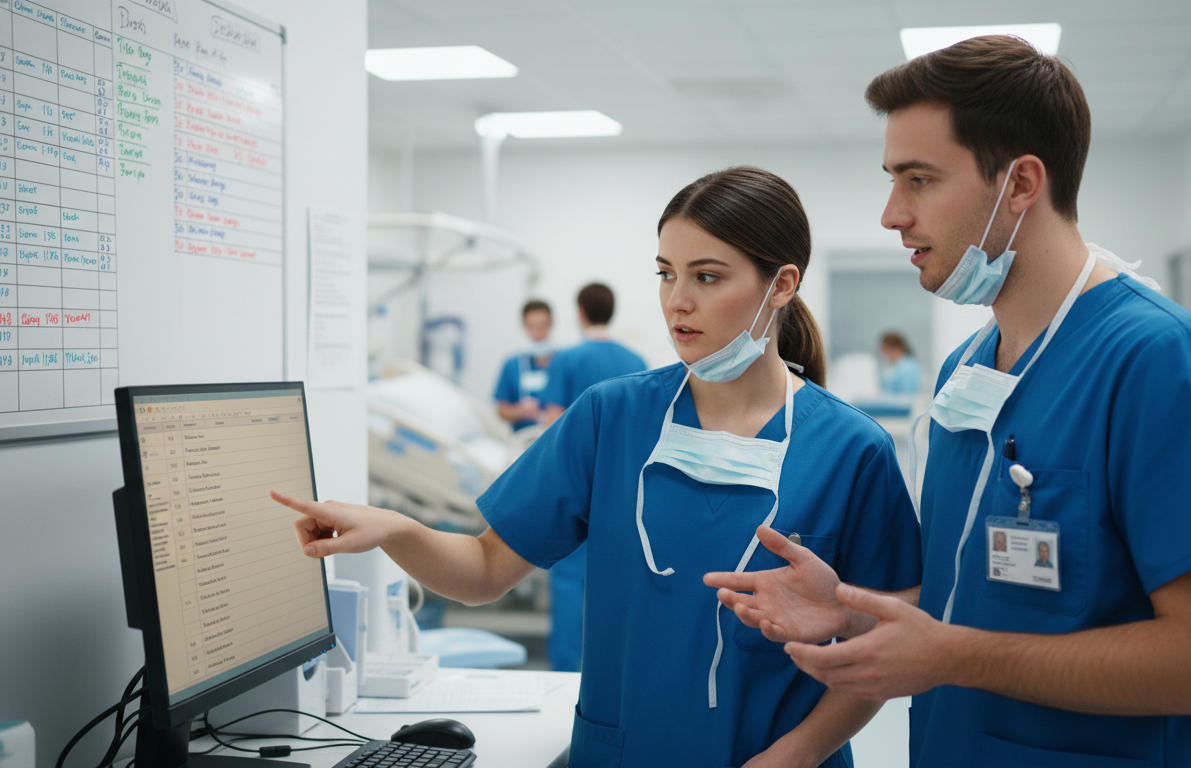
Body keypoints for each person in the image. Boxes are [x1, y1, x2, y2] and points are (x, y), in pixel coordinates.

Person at [706, 36, 1191, 767]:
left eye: (919, 179)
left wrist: (953, 659)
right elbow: (981, 601)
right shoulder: (967, 372)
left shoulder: (1158, 362)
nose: (891, 214)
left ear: (1021, 183)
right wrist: (853, 608)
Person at [271, 166, 921, 768]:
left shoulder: (849, 448)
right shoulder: (611, 417)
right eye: (666, 274)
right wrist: (396, 530)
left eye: (708, 276)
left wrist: (799, 754)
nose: (678, 301)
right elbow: (486, 572)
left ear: (781, 284)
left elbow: (892, 638)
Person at [536, 283, 646, 672]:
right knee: (619, 579)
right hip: (628, 485)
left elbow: (553, 424)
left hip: (579, 481)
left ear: (580, 312)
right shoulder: (636, 358)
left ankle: (568, 669)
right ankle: (613, 670)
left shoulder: (567, 359)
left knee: (569, 582)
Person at [539, 283, 646, 424]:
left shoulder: (564, 358)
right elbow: (642, 415)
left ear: (581, 312)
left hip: (580, 445)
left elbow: (554, 419)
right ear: (612, 311)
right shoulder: (637, 361)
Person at [493, 299, 554, 431]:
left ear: (551, 324)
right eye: (533, 326)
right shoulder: (512, 364)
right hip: (523, 439)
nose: (538, 332)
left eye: (543, 325)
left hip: (555, 436)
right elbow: (501, 409)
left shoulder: (564, 362)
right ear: (524, 325)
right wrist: (519, 411)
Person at [877, 331, 921, 396]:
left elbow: (908, 394)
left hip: (904, 404)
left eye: (885, 350)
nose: (884, 354)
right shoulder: (891, 366)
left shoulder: (908, 367)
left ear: (897, 348)